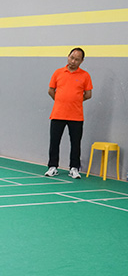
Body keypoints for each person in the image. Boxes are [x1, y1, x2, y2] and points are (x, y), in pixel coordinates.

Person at [45, 47, 93, 179]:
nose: (73, 61)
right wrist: (60, 101)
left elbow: (88, 94)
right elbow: (51, 91)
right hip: (58, 114)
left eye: (77, 59)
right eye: (71, 58)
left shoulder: (85, 75)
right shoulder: (58, 73)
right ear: (68, 56)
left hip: (76, 116)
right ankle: (52, 167)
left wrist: (75, 101)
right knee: (54, 142)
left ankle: (74, 168)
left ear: (81, 61)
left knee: (75, 143)